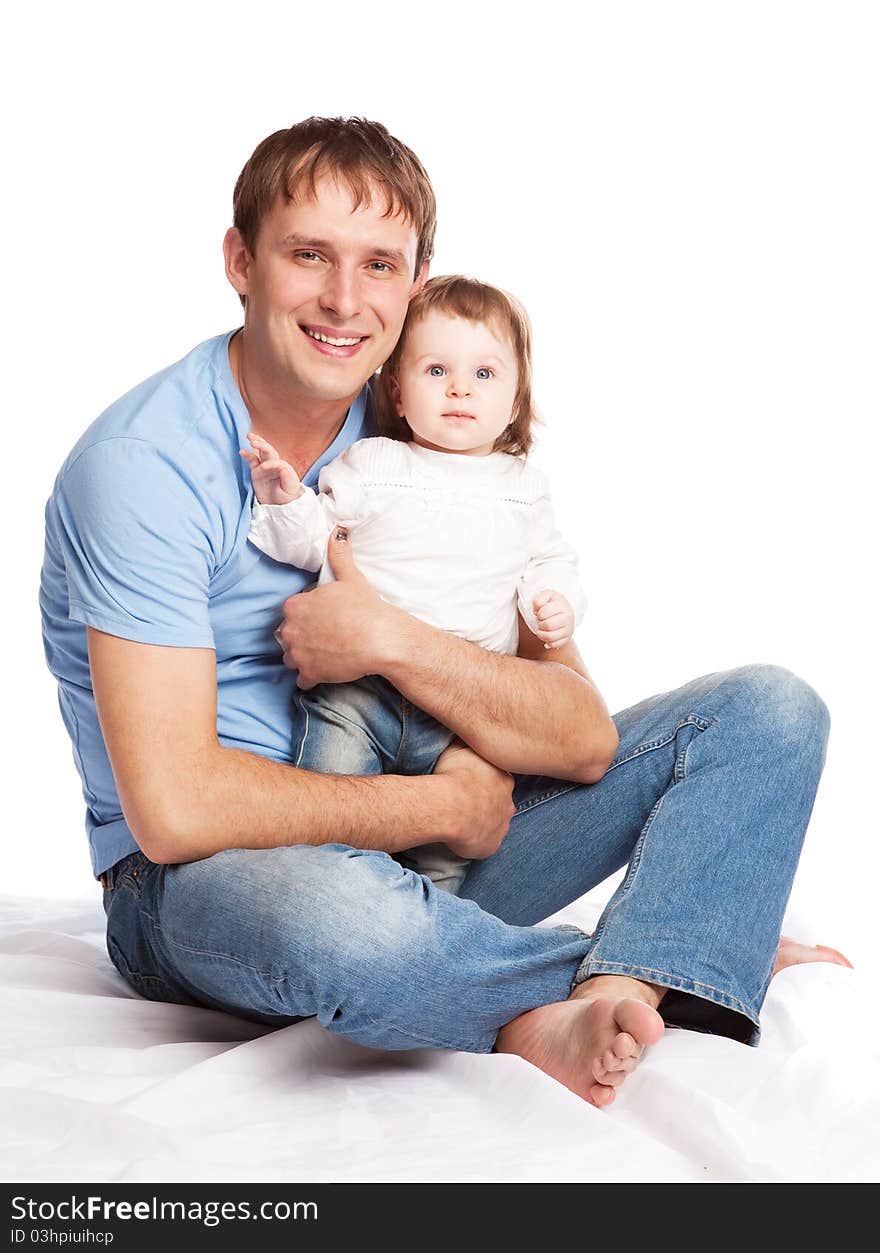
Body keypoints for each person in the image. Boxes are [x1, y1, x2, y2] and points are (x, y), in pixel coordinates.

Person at [40, 116, 850, 1111]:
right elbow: (173, 812)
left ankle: (658, 949)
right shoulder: (144, 468)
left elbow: (578, 736)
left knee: (767, 711)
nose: (345, 299)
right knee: (352, 922)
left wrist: (389, 639)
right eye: (308, 255)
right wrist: (438, 808)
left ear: (416, 283)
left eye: (378, 264)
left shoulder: (417, 425)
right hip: (212, 887)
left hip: (431, 846)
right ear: (239, 261)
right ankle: (675, 954)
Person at [240, 273, 587, 894]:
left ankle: (432, 932)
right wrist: (286, 497)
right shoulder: (374, 464)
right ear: (397, 393)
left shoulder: (523, 488)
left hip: (464, 711)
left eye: (484, 374)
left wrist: (554, 602)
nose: (459, 388)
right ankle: (336, 901)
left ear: (513, 401)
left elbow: (549, 560)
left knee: (449, 859)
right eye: (435, 371)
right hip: (360, 695)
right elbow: (316, 539)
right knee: (331, 814)